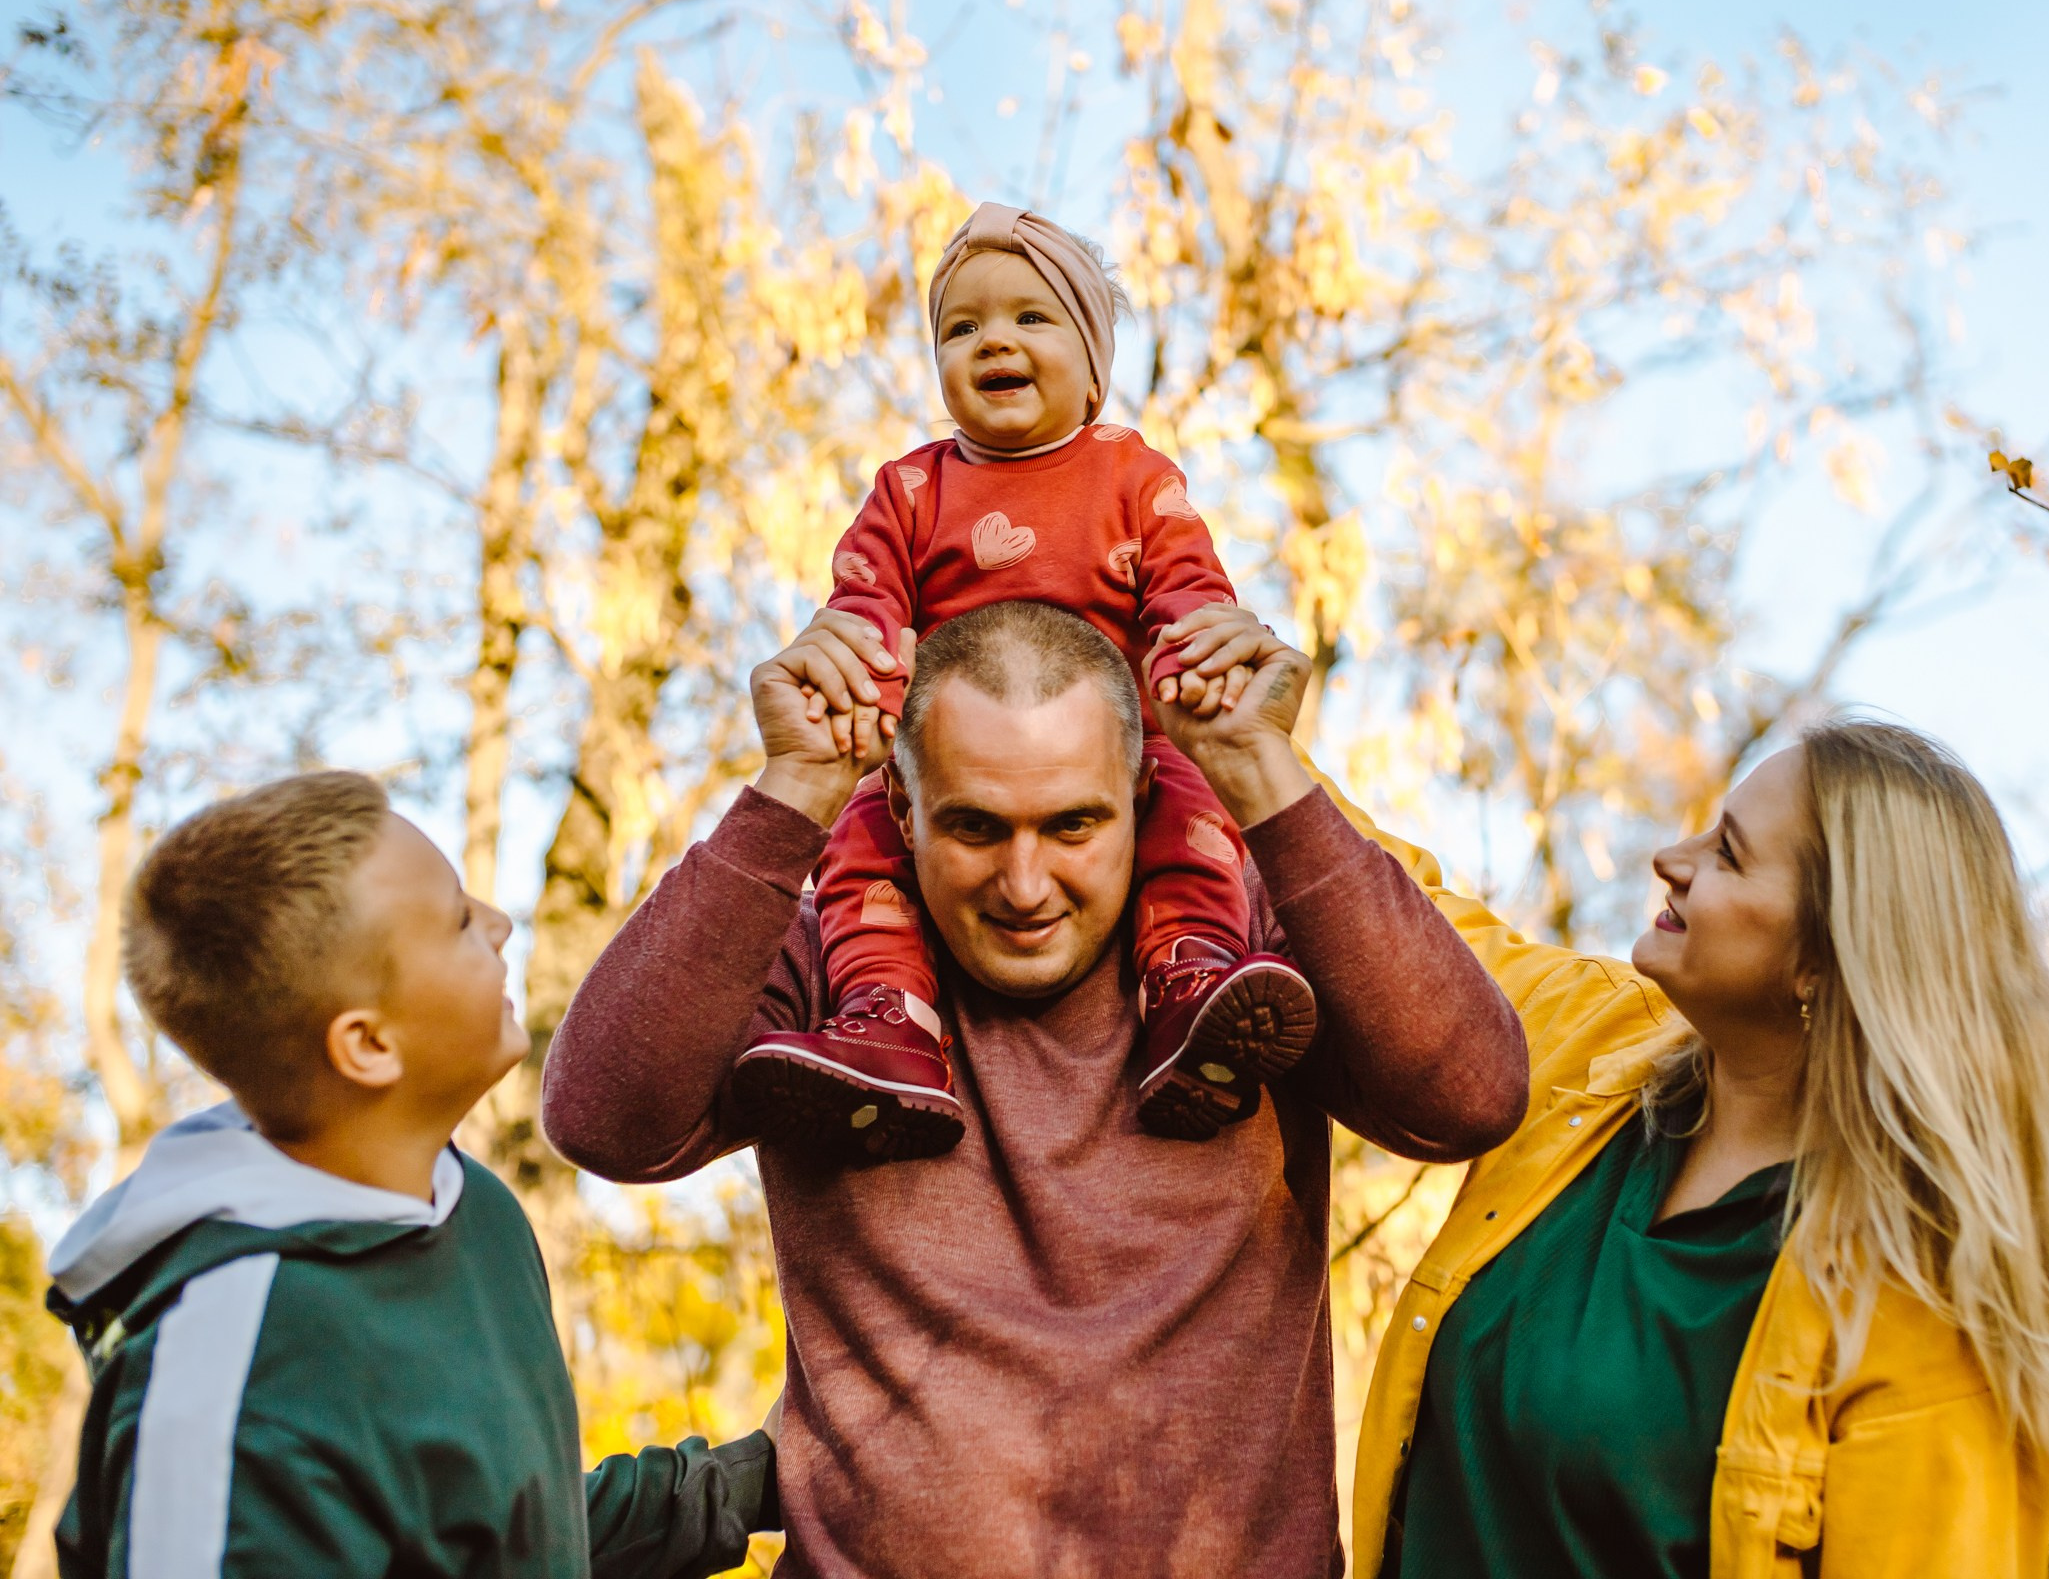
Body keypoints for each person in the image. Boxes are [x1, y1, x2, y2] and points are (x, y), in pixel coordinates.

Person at [540, 599, 1530, 1577]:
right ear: (899, 805)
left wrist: (1264, 775)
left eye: (1072, 825)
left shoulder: (1239, 960)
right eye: (975, 827)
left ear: (1143, 795)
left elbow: (1470, 1097)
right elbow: (605, 1121)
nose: (1024, 884)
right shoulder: (826, 966)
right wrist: (790, 791)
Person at [1323, 718, 2049, 1578]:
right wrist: (1238, 740)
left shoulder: (1926, 1312)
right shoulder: (1599, 1050)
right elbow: (1390, 910)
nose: (1672, 859)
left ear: (1827, 960)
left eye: (1728, 853)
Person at [45, 773, 780, 1579]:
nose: (500, 925)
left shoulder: (475, 1210)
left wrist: (753, 1479)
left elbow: (512, 1530)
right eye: (459, 920)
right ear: (368, 1045)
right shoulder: (228, 1380)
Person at [733, 200, 1315, 1165]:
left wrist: (1203, 649)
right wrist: (849, 664)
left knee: (1188, 814)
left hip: (1117, 746)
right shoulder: (911, 490)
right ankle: (889, 1020)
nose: (992, 340)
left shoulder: (1129, 473)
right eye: (962, 328)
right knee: (858, 850)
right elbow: (864, 598)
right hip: (946, 760)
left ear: (1094, 369)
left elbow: (1186, 582)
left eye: (1030, 318)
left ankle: (1189, 979)